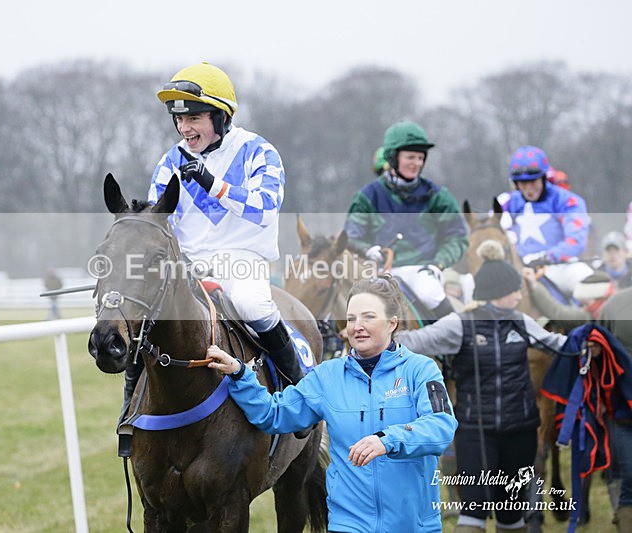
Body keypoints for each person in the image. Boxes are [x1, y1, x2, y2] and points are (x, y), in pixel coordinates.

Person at [207, 273, 457, 532]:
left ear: (392, 322)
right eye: (351, 318)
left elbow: (441, 427)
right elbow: (275, 414)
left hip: (413, 525)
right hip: (348, 525)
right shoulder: (327, 376)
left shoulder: (421, 370)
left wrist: (387, 440)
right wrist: (240, 374)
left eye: (368, 317)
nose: (357, 326)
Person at [144, 62, 307, 434]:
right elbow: (159, 216)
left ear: (221, 116)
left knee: (253, 305)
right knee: (147, 320)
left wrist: (212, 183)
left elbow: (264, 207)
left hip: (242, 260)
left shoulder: (258, 151)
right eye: (179, 120)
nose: (185, 128)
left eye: (195, 118)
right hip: (188, 265)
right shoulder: (170, 161)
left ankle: (299, 392)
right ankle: (130, 408)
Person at [396, 240, 569, 533]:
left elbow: (559, 345)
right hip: (476, 433)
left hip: (520, 431)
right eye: (515, 290)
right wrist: (376, 331)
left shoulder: (522, 322)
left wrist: (593, 342)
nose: (519, 295)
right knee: (473, 509)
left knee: (511, 512)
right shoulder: (459, 324)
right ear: (499, 293)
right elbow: (415, 342)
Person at [344, 121, 468, 320]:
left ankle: (461, 345)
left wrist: (439, 264)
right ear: (393, 158)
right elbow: (350, 236)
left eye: (420, 158)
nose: (417, 163)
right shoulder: (367, 196)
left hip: (422, 271)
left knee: (430, 295)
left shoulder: (438, 196)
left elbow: (457, 237)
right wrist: (366, 250)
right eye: (410, 157)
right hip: (379, 272)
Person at [500, 146, 593, 297]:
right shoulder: (508, 202)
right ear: (515, 184)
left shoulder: (566, 200)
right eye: (522, 183)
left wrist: (546, 257)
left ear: (544, 177)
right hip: (517, 268)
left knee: (591, 285)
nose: (529, 188)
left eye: (533, 181)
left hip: (559, 268)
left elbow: (576, 241)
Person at [597, 287, 632, 532]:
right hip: (623, 413)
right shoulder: (615, 305)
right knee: (628, 481)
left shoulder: (613, 304)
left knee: (628, 480)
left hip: (621, 412)